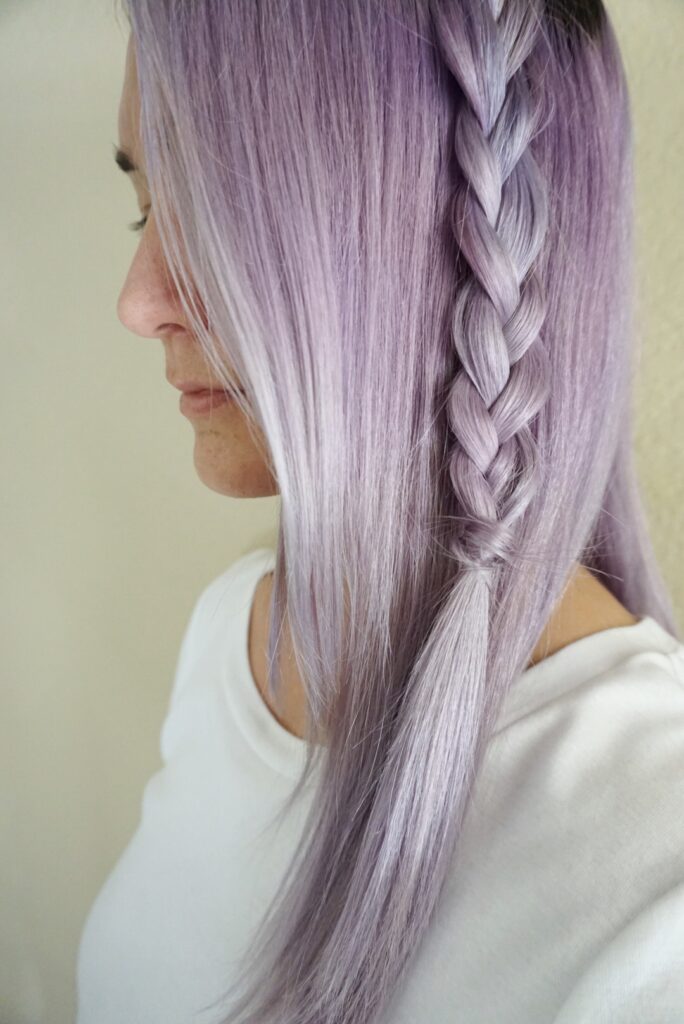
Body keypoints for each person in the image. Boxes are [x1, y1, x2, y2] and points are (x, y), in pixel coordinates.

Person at [76, 2, 684, 1023]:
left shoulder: (655, 879)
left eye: (216, 203)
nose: (137, 302)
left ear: (443, 237)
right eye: (147, 208)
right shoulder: (239, 634)